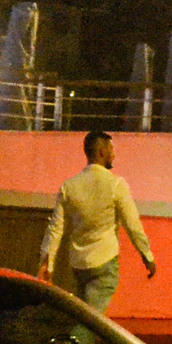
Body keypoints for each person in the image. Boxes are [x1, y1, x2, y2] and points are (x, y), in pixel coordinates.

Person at [36, 130, 155, 312]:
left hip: (78, 264)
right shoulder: (116, 184)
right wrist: (147, 255)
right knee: (91, 324)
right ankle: (70, 342)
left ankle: (73, 340)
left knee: (84, 314)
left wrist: (48, 262)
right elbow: (132, 225)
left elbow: (55, 228)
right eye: (110, 149)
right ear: (101, 152)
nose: (113, 154)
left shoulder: (69, 186)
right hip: (104, 262)